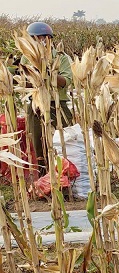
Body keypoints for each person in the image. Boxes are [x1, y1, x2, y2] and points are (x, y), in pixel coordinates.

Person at [22, 21, 73, 173]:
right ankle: (44, 175)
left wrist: (48, 74)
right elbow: (26, 82)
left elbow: (66, 80)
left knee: (61, 141)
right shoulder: (26, 58)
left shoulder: (61, 58)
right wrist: (36, 77)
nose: (40, 42)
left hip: (57, 105)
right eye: (35, 38)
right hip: (36, 106)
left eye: (43, 38)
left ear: (49, 39)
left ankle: (64, 174)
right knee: (38, 141)